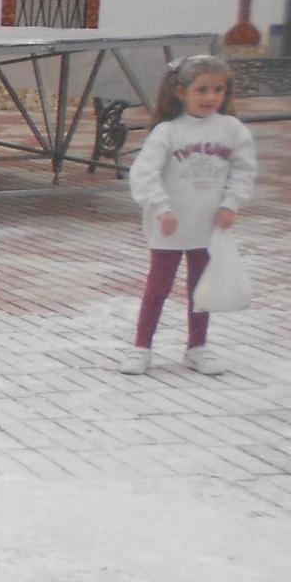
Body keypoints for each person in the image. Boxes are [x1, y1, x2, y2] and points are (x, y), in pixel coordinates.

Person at [120, 54, 256, 376]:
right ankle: (142, 346)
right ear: (180, 92)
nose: (211, 97)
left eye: (218, 89)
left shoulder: (232, 129)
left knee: (201, 287)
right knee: (158, 287)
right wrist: (161, 207)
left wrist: (230, 204)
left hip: (207, 225)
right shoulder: (167, 132)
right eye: (202, 89)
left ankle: (197, 346)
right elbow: (145, 174)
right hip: (169, 225)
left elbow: (243, 169)